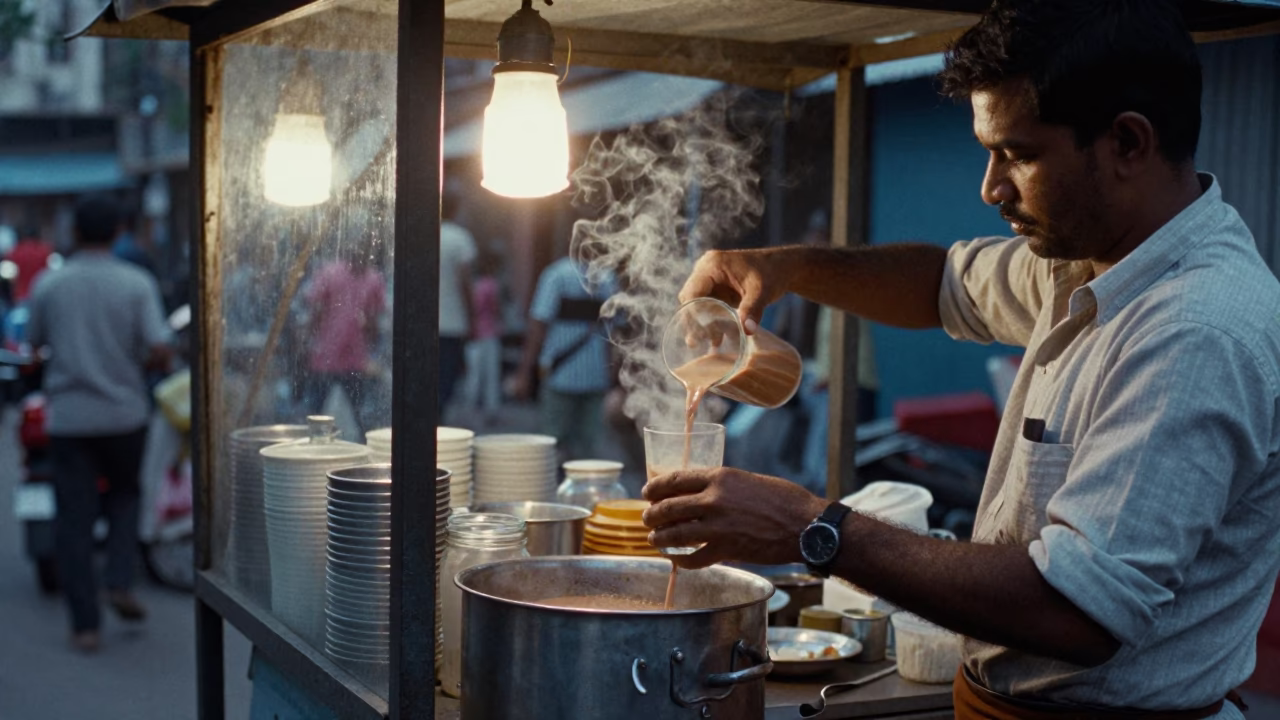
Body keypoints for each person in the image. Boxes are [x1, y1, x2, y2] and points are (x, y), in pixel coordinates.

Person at [643, 1, 1280, 716]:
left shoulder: (1193, 329)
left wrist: (812, 527)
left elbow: (1077, 612)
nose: (990, 187)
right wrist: (784, 266)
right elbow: (942, 284)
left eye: (1019, 154)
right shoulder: (1094, 260)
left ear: (1128, 143)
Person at [26, 195, 172, 653]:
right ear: (117, 232)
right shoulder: (136, 282)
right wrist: (139, 361)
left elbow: (34, 345)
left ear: (73, 234)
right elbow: (160, 348)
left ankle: (85, 626)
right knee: (126, 497)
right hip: (124, 415)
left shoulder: (50, 285)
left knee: (74, 519)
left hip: (69, 419)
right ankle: (118, 580)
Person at [513, 254, 615, 461]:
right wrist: (612, 374)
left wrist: (524, 372)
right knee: (588, 449)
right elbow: (615, 332)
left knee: (551, 443)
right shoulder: (607, 278)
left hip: (560, 375)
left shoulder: (556, 274)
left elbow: (538, 324)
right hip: (595, 375)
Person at [302, 245, 386, 435]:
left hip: (355, 357)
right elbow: (315, 308)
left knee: (362, 414)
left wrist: (374, 352)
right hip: (326, 355)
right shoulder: (330, 272)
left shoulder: (373, 279)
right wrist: (308, 341)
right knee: (315, 412)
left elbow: (375, 317)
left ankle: (367, 450)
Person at [438, 190, 477, 416]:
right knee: (446, 379)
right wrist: (472, 318)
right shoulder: (461, 238)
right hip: (453, 323)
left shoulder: (426, 233)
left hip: (428, 323)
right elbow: (466, 282)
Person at [461, 251, 504, 426]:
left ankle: (469, 409)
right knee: (491, 374)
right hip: (490, 333)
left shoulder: (474, 285)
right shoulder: (492, 285)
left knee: (474, 374)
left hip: (474, 334)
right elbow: (496, 308)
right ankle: (491, 409)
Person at [4, 226, 54, 303]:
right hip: (41, 295)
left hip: (20, 296)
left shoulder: (14, 252)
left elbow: (8, 277)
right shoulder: (45, 251)